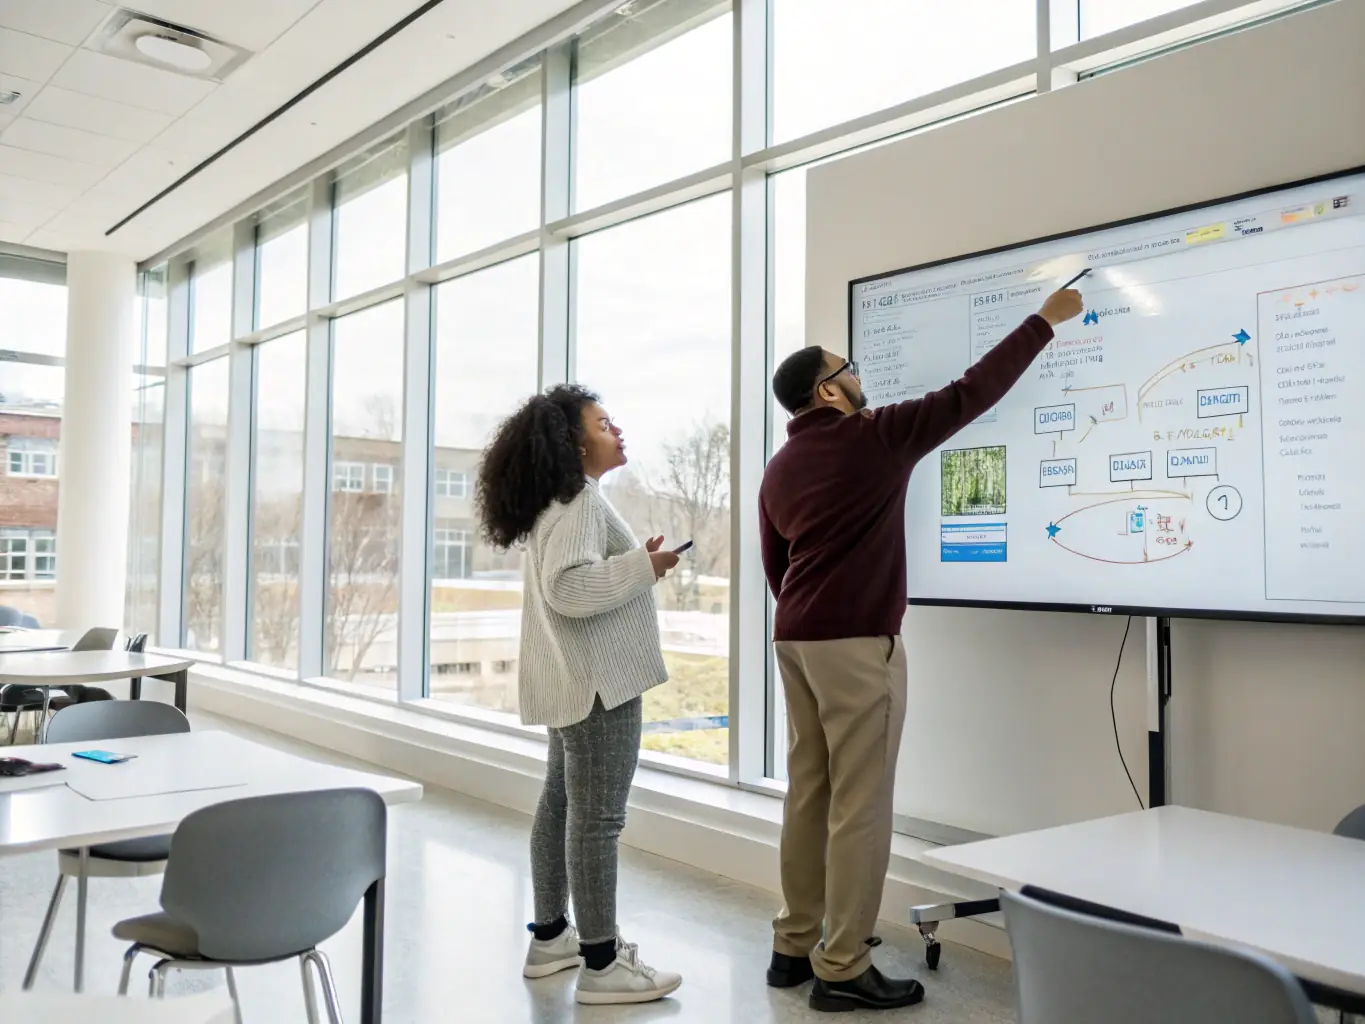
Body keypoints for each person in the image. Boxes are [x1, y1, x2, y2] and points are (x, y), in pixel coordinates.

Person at [759, 287, 1085, 1013]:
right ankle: (842, 967)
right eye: (848, 367)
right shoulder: (875, 435)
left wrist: (812, 613)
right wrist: (1043, 321)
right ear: (829, 390)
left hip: (796, 638)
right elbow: (972, 391)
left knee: (809, 791)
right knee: (861, 805)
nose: (858, 375)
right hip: (853, 642)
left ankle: (793, 945)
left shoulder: (780, 466)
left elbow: (775, 564)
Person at [476, 383, 684, 1006]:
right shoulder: (581, 503)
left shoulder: (559, 504)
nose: (616, 431)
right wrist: (644, 568)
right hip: (600, 686)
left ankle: (551, 939)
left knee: (561, 807)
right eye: (603, 423)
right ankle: (601, 964)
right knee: (597, 822)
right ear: (573, 442)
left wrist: (634, 564)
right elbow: (569, 588)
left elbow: (569, 580)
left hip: (572, 680)